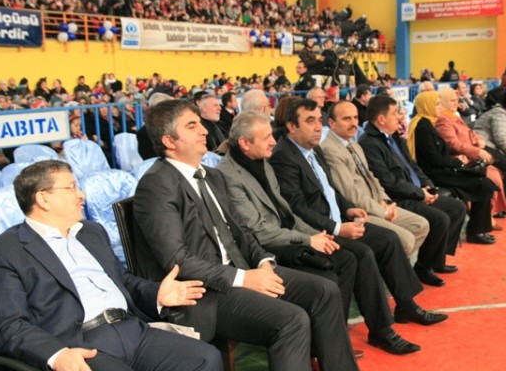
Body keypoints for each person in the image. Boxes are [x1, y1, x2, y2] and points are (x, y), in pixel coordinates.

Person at [132, 100, 358, 371]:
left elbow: (241, 231)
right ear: (169, 140)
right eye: (192, 126)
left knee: (324, 290)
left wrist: (263, 262)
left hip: (241, 270)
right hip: (204, 292)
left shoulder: (212, 176)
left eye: (200, 123)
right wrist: (244, 278)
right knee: (292, 320)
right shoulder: (157, 184)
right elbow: (177, 260)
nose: (204, 130)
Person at [0, 160, 222, 371]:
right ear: (43, 199)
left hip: (131, 328)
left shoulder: (91, 232)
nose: (81, 195)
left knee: (205, 358)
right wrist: (56, 354)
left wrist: (157, 294)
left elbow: (123, 280)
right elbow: (8, 324)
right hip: (78, 343)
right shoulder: (8, 249)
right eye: (71, 188)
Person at [270, 99, 448, 351]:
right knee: (362, 254)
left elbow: (329, 189)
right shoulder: (284, 156)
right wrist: (337, 227)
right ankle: (381, 330)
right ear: (291, 126)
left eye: (319, 120)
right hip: (316, 231)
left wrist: (347, 209)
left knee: (388, 239)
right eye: (310, 121)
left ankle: (406, 305)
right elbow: (297, 208)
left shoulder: (312, 149)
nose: (318, 127)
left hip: (337, 219)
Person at [320, 101, 441, 271]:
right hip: (360, 211)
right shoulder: (329, 149)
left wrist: (385, 201)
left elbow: (372, 177)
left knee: (421, 225)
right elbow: (350, 193)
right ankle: (392, 273)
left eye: (355, 118)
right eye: (347, 119)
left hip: (377, 204)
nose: (354, 123)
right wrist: (382, 212)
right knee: (406, 240)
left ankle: (392, 270)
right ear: (331, 123)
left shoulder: (354, 145)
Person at [357, 96, 468, 260]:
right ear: (381, 119)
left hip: (416, 191)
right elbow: (388, 181)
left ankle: (437, 258)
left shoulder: (394, 136)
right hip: (399, 197)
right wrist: (420, 194)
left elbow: (413, 166)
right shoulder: (369, 143)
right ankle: (425, 266)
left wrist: (428, 186)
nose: (399, 117)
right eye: (395, 113)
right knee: (440, 219)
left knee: (457, 208)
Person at [407, 91, 497, 244]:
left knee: (484, 182)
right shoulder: (422, 127)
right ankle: (476, 231)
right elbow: (434, 158)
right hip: (435, 174)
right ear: (427, 106)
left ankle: (479, 229)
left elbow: (439, 152)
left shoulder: (428, 123)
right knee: (483, 184)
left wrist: (455, 159)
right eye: (436, 104)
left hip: (442, 169)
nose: (440, 107)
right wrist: (457, 162)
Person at [435, 88, 506, 221]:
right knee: (490, 176)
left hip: (470, 156)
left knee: (495, 173)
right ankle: (487, 217)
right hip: (460, 159)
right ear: (444, 101)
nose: (455, 103)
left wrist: (478, 140)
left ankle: (491, 213)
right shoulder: (443, 120)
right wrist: (477, 151)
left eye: (456, 100)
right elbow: (453, 143)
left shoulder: (453, 116)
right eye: (452, 100)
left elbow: (469, 132)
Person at [473, 87, 506, 204]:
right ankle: (505, 203)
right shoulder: (499, 113)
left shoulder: (491, 110)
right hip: (486, 147)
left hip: (486, 145)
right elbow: (501, 140)